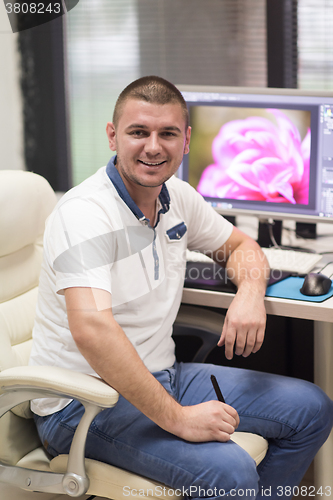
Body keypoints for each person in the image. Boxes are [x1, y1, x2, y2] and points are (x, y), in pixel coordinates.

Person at [30, 76, 333, 499]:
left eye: (167, 133)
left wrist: (249, 294)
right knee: (229, 471)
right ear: (113, 136)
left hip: (163, 376)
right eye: (139, 132)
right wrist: (178, 419)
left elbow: (241, 246)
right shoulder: (84, 213)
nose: (153, 146)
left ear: (186, 140)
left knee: (312, 409)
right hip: (83, 404)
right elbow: (92, 330)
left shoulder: (178, 197)